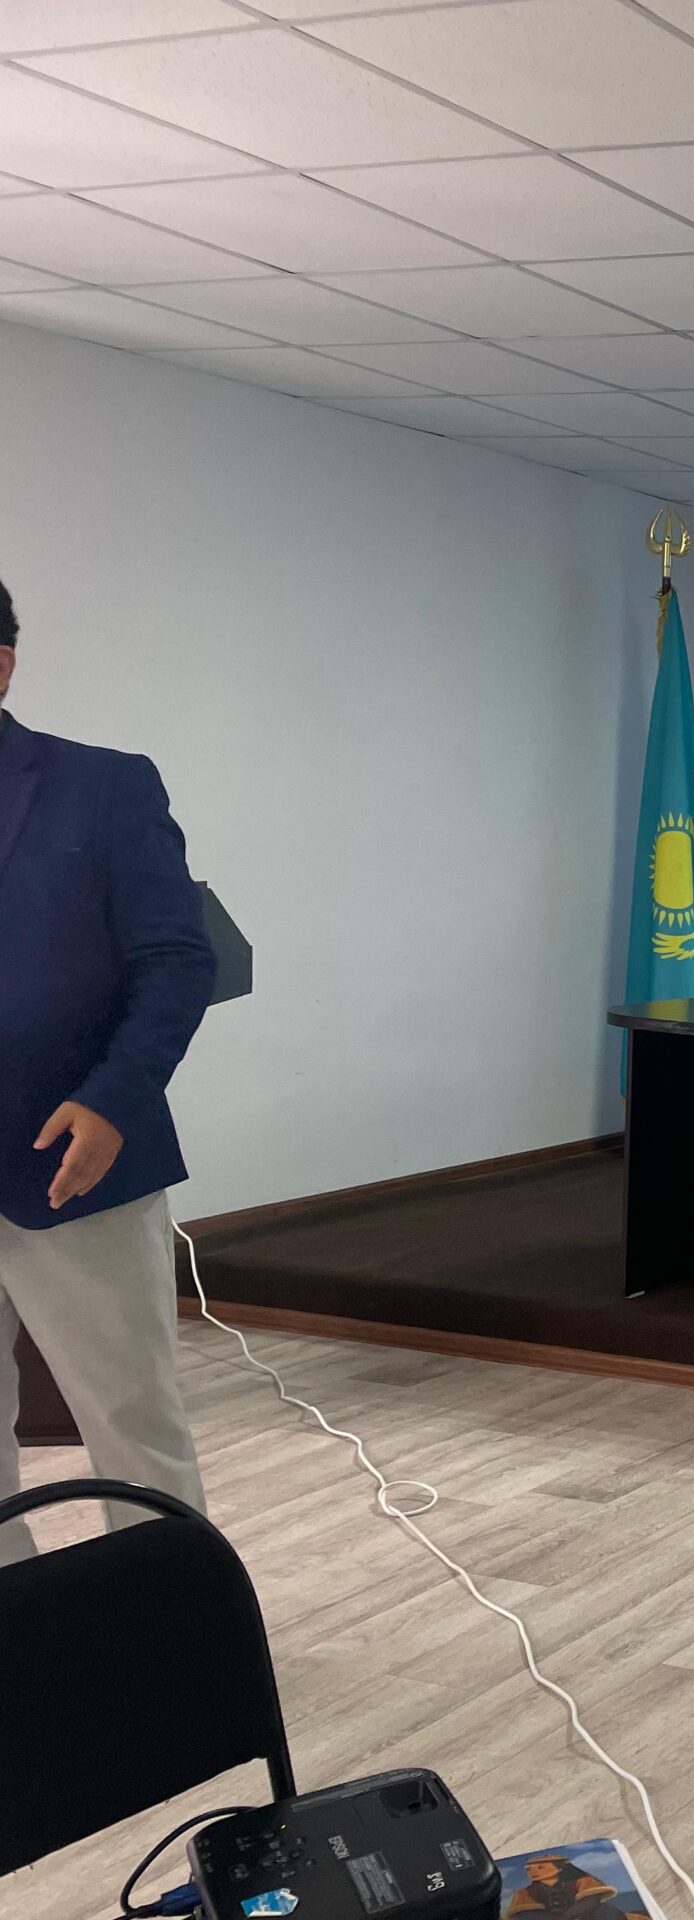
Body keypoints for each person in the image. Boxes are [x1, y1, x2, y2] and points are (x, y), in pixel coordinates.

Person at [0, 576, 218, 1563]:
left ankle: (169, 1627)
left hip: (76, 1162)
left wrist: (113, 1100)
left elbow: (177, 960)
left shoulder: (104, 786)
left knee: (132, 1428)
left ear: (2, 664)